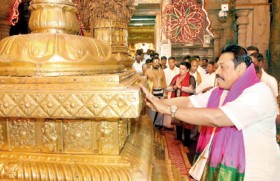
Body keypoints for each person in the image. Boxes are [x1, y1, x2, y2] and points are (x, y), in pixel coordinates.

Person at [141, 44, 280, 181]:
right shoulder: (220, 91)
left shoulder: (258, 92)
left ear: (241, 68)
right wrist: (155, 101)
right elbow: (190, 102)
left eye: (223, 67)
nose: (217, 71)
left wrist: (168, 110)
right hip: (224, 166)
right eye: (218, 66)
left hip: (254, 172)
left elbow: (218, 118)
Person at [166, 62, 196, 146]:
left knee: (187, 122)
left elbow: (192, 90)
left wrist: (180, 87)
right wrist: (175, 87)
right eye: (180, 68)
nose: (181, 70)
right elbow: (168, 88)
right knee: (178, 120)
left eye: (183, 69)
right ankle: (179, 138)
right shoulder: (176, 77)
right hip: (176, 102)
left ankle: (186, 141)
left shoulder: (191, 78)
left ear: (188, 70)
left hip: (187, 104)